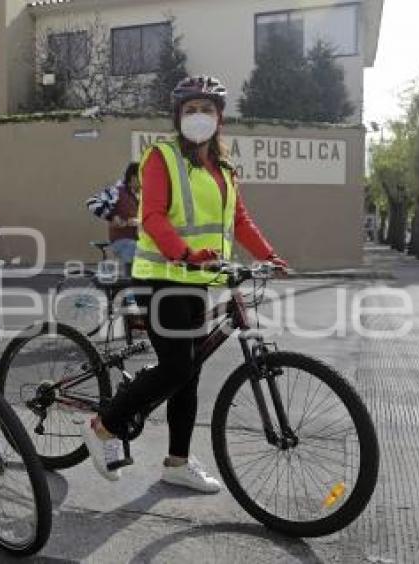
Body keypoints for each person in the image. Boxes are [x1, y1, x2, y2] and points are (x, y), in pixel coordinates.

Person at [80, 76, 288, 492]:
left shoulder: (224, 169)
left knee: (188, 375)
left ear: (219, 118)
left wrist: (267, 254)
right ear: (178, 117)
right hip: (161, 276)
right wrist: (184, 253)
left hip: (198, 280)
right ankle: (105, 425)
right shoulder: (161, 157)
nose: (198, 117)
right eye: (190, 109)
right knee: (177, 367)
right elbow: (153, 216)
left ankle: (177, 462)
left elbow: (239, 220)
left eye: (206, 109)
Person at [85, 162, 140, 273]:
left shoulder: (136, 196)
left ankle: (134, 285)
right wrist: (111, 216)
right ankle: (133, 286)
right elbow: (91, 202)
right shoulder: (116, 191)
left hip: (134, 240)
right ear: (133, 177)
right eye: (142, 178)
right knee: (137, 251)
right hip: (122, 241)